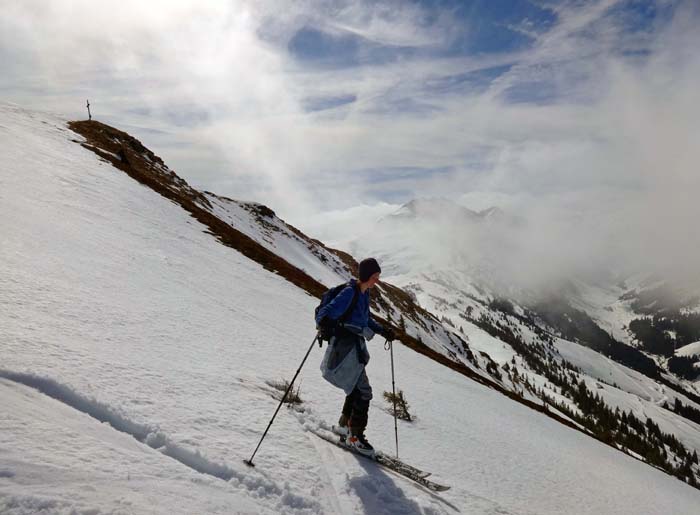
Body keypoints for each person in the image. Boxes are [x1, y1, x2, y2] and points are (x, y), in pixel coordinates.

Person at [315, 257, 395, 456]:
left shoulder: (363, 293)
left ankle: (345, 427)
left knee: (354, 387)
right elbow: (325, 313)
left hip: (354, 348)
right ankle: (355, 437)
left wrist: (384, 331)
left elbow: (365, 319)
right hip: (345, 349)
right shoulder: (350, 292)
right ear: (368, 275)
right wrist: (323, 323)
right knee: (364, 391)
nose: (377, 280)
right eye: (375, 276)